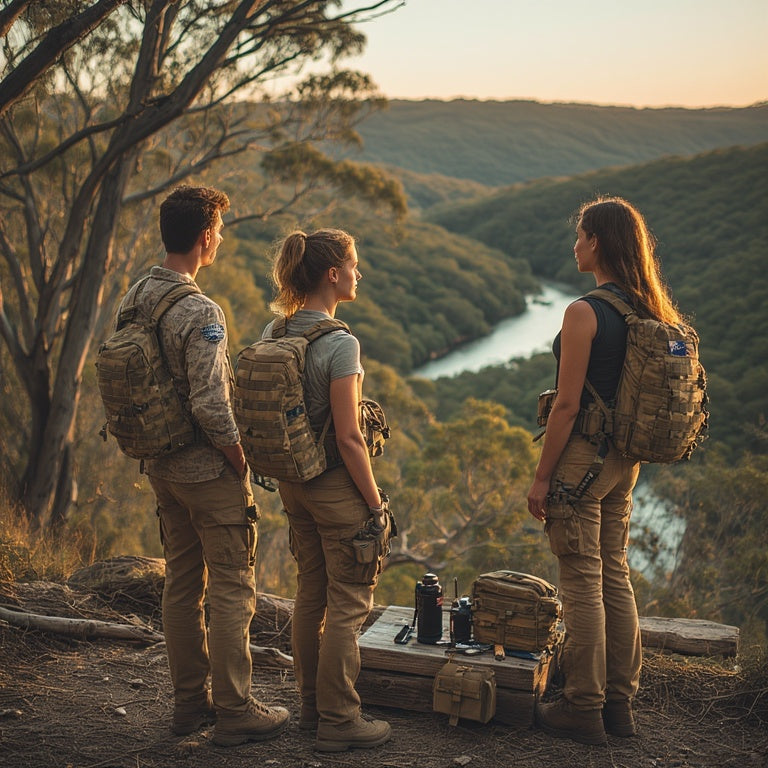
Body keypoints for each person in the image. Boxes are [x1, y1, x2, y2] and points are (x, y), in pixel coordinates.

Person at [122, 185, 289, 746]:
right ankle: (237, 711)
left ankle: (188, 707)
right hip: (205, 471)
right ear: (203, 237)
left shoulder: (137, 294)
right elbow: (211, 402)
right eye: (218, 228)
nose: (219, 237)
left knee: (181, 585)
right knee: (233, 589)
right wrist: (239, 460)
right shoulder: (200, 310)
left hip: (161, 466)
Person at [527, 197, 685, 745]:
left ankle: (582, 706)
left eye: (579, 235)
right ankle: (619, 704)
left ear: (597, 242)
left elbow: (566, 407)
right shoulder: (649, 309)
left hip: (581, 462)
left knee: (582, 582)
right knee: (614, 574)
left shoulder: (584, 311)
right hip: (623, 462)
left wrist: (542, 477)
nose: (574, 245)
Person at [263, 228, 392, 753]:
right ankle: (339, 720)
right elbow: (349, 436)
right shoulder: (341, 344)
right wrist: (376, 503)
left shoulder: (276, 330)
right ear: (333, 275)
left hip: (294, 487)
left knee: (310, 595)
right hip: (336, 489)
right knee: (349, 602)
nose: (359, 274)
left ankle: (311, 709)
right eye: (354, 266)